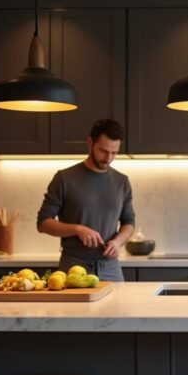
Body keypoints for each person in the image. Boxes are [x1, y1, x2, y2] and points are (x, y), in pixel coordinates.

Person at [36, 119, 135, 281]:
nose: (108, 158)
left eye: (114, 153)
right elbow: (43, 223)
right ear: (90, 142)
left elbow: (129, 223)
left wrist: (118, 242)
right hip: (73, 267)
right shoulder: (64, 178)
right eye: (103, 151)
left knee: (117, 307)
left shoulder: (122, 182)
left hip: (110, 268)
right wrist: (77, 229)